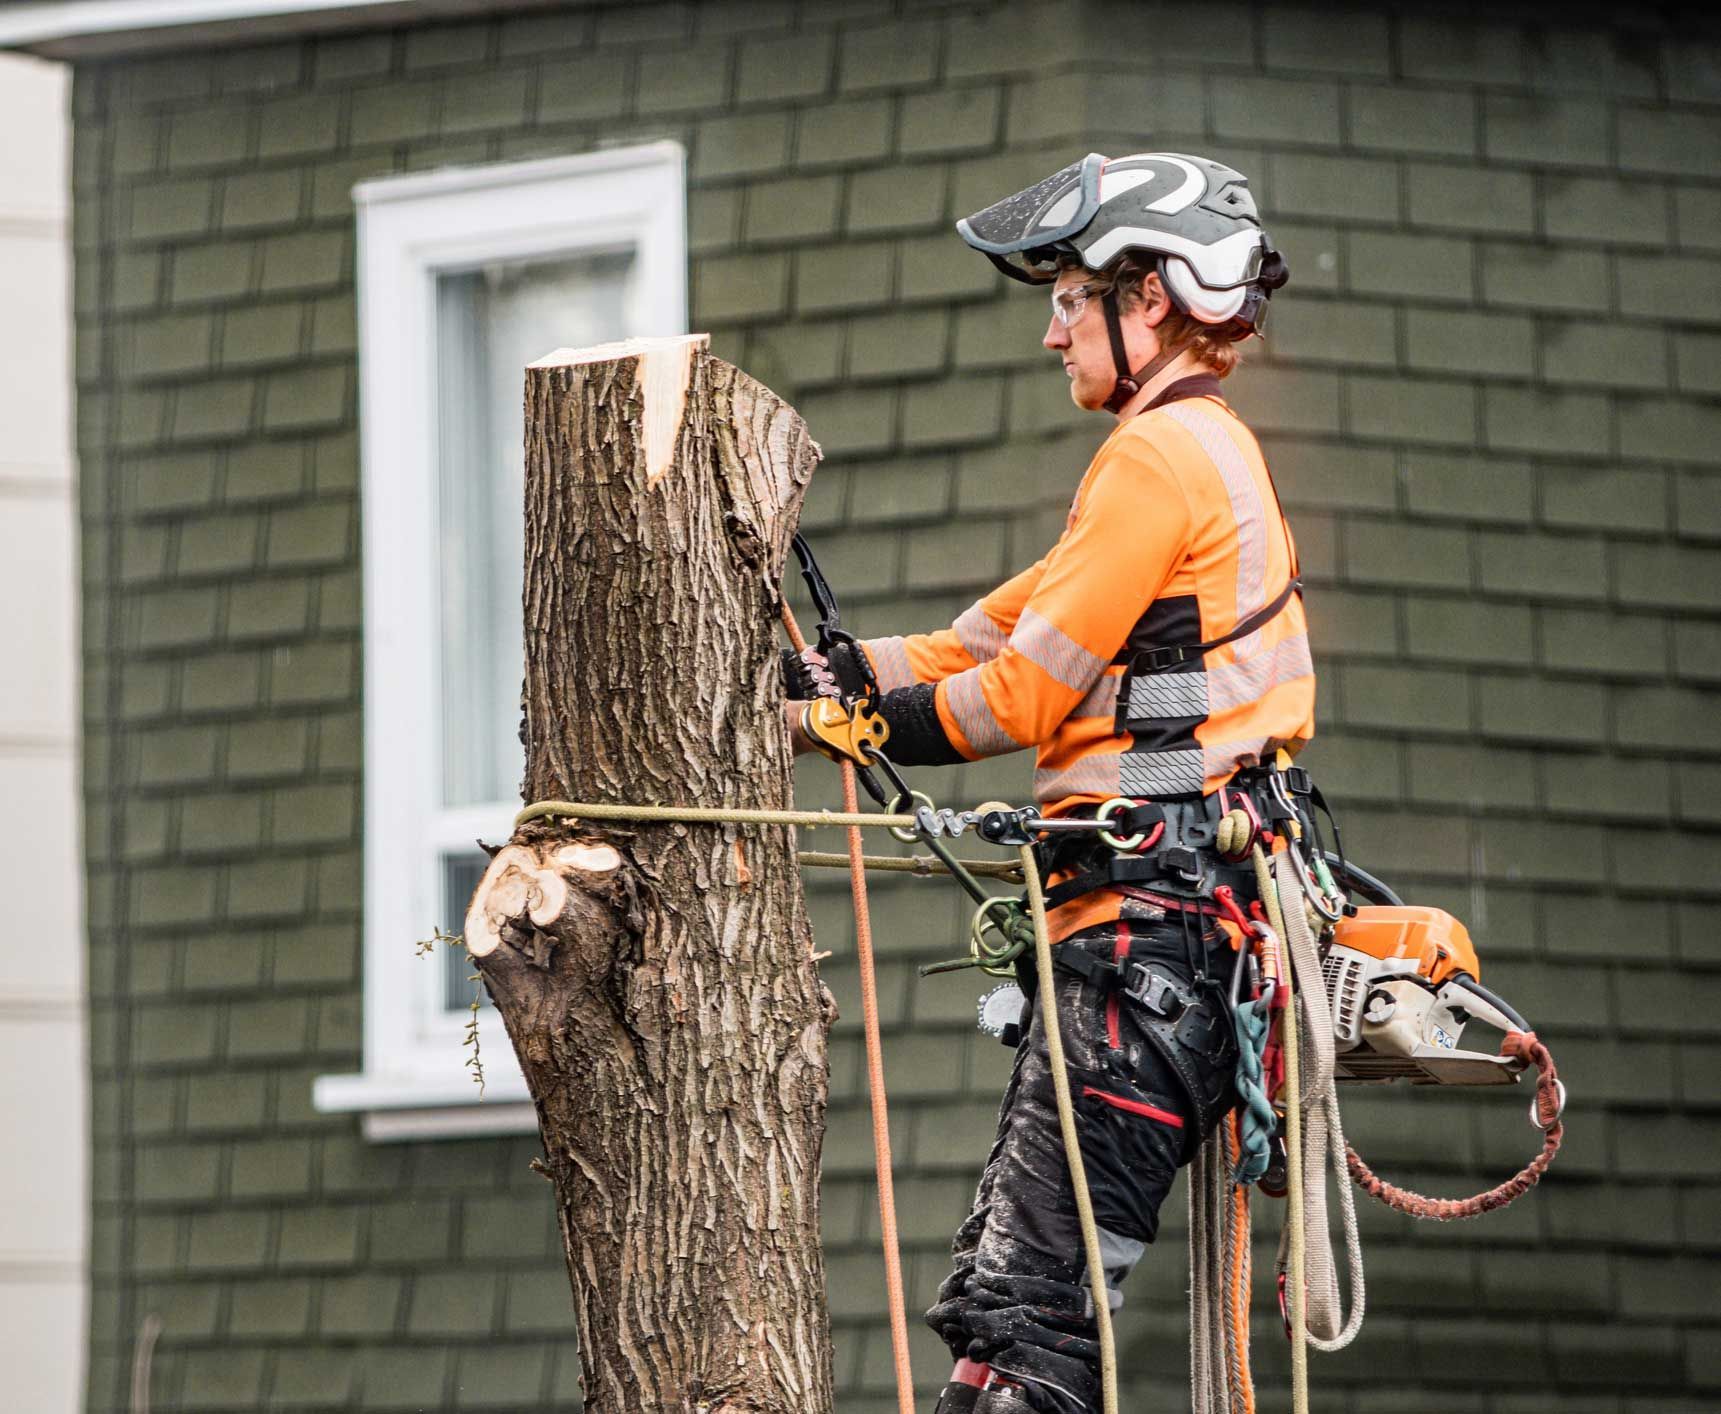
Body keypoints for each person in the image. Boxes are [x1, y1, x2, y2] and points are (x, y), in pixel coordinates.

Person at [785, 152, 1308, 1414]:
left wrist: (839, 723)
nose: (1050, 327)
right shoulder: (1189, 455)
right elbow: (983, 641)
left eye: (1072, 297)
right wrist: (822, 670)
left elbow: (1011, 699)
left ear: (1153, 298)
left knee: (1028, 1335)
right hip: (1157, 948)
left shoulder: (1155, 461)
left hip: (1144, 950)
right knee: (1004, 1328)